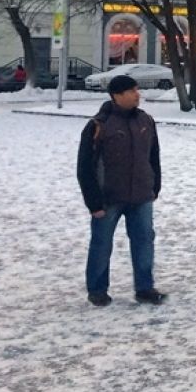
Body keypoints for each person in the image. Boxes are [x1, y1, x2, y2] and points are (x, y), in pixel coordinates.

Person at [76, 74, 166, 307]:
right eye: (132, 91)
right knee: (101, 244)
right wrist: (93, 202)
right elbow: (85, 166)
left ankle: (145, 287)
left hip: (141, 194)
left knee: (144, 241)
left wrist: (155, 185)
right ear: (117, 96)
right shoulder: (99, 125)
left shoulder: (146, 120)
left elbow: (153, 156)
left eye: (137, 89)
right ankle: (97, 290)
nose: (138, 95)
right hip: (109, 197)